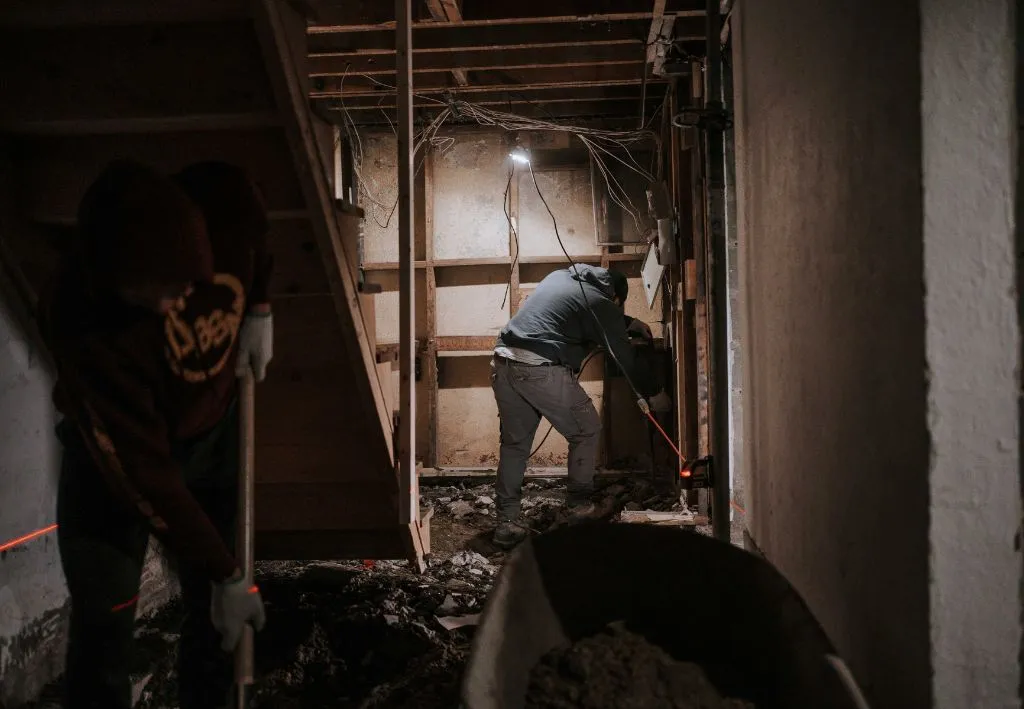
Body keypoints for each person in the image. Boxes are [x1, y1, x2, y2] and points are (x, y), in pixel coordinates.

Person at [37, 159, 274, 709]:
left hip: (212, 439)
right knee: (105, 619)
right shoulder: (79, 319)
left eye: (184, 289)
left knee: (213, 615)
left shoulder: (225, 203)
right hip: (114, 468)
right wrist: (228, 572)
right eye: (150, 298)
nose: (171, 308)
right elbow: (144, 471)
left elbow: (258, 232)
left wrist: (260, 305)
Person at [490, 264, 671, 549]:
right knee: (587, 430)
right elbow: (625, 357)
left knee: (514, 445)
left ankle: (506, 523)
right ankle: (578, 506)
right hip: (541, 369)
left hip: (503, 363)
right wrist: (654, 393)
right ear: (615, 297)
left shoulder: (560, 277)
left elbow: (573, 311)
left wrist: (625, 321)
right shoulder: (602, 304)